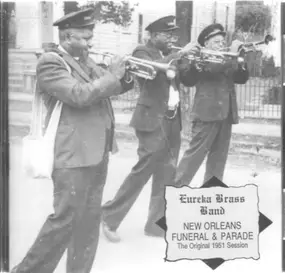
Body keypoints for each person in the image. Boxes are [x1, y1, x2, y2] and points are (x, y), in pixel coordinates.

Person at [11, 8, 133, 273]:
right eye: (85, 37)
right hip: (72, 154)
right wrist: (113, 75)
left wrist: (127, 74)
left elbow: (113, 85)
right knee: (64, 221)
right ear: (67, 37)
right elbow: (80, 95)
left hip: (97, 151)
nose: (91, 42)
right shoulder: (51, 62)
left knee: (89, 222)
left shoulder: (86, 60)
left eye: (91, 36)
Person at [101, 15, 199, 241]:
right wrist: (180, 54)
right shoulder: (142, 53)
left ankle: (155, 225)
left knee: (167, 172)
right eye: (166, 35)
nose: (171, 39)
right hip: (152, 120)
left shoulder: (169, 55)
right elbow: (154, 78)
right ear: (153, 36)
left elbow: (188, 79)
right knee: (143, 171)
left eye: (173, 35)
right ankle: (109, 216)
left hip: (173, 121)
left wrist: (190, 61)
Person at [174, 23, 249, 187]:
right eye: (216, 42)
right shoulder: (201, 58)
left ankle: (212, 192)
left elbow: (241, 78)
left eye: (222, 42)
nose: (221, 45)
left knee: (218, 159)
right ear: (206, 44)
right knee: (193, 158)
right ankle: (174, 191)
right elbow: (212, 69)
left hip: (226, 113)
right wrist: (233, 55)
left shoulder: (228, 58)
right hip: (207, 114)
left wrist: (241, 62)